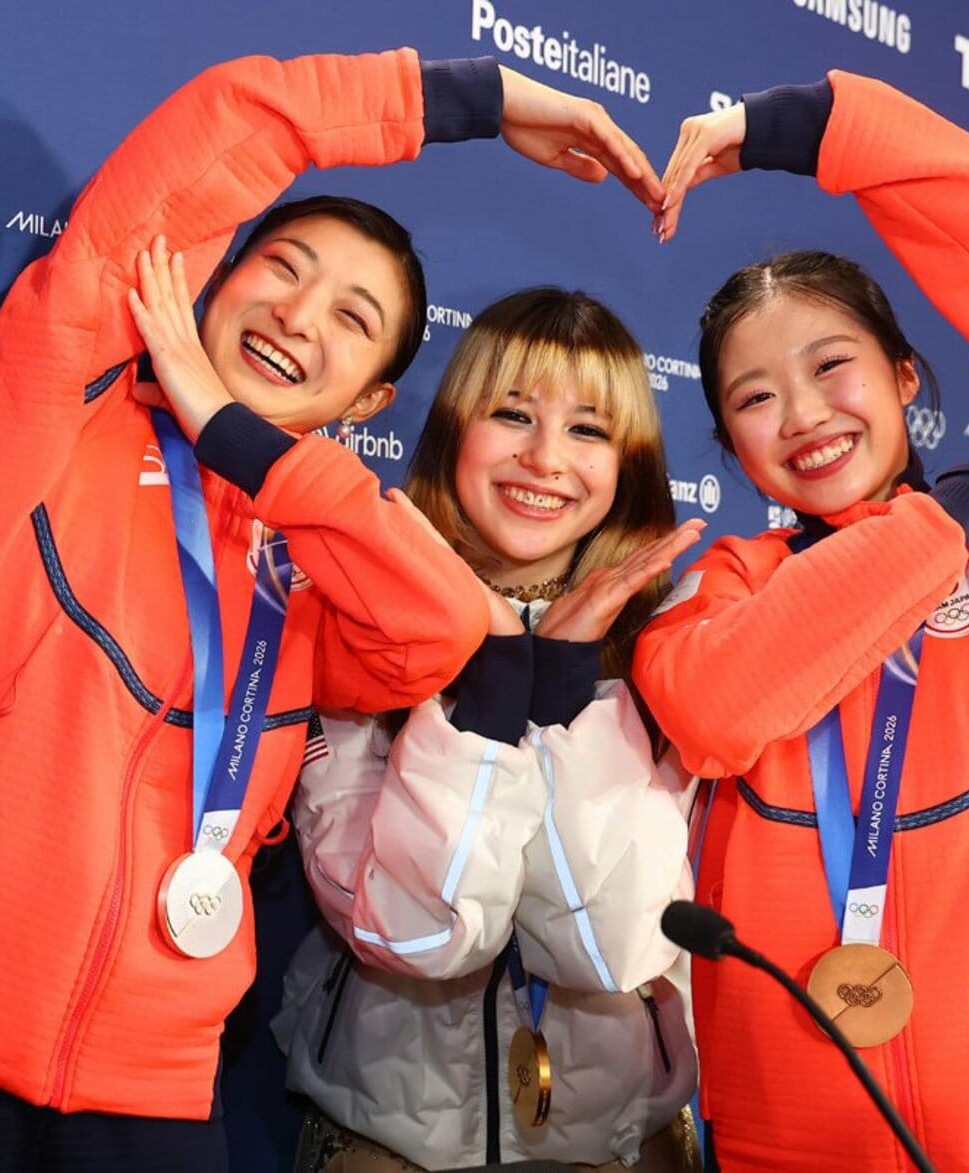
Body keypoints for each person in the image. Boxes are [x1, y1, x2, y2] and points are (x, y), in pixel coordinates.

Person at [0, 48, 666, 1171]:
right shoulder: (56, 414)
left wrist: (240, 439)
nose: (296, 314)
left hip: (155, 1094)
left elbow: (436, 628)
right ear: (204, 286)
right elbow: (226, 126)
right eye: (279, 268)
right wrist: (470, 100)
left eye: (350, 316)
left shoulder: (315, 562)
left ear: (367, 399)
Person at [636, 71, 969, 1169]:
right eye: (752, 397)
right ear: (726, 439)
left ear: (903, 376)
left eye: (829, 366)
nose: (801, 416)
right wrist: (924, 531)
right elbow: (716, 709)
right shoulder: (724, 584)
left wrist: (790, 128)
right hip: (780, 1125)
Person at [273, 288, 707, 1172]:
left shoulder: (678, 639)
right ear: (454, 430)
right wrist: (491, 688)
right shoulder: (352, 612)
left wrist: (568, 683)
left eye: (588, 429)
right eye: (512, 414)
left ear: (629, 462)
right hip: (384, 1145)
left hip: (624, 1148)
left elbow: (617, 942)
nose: (546, 458)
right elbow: (410, 931)